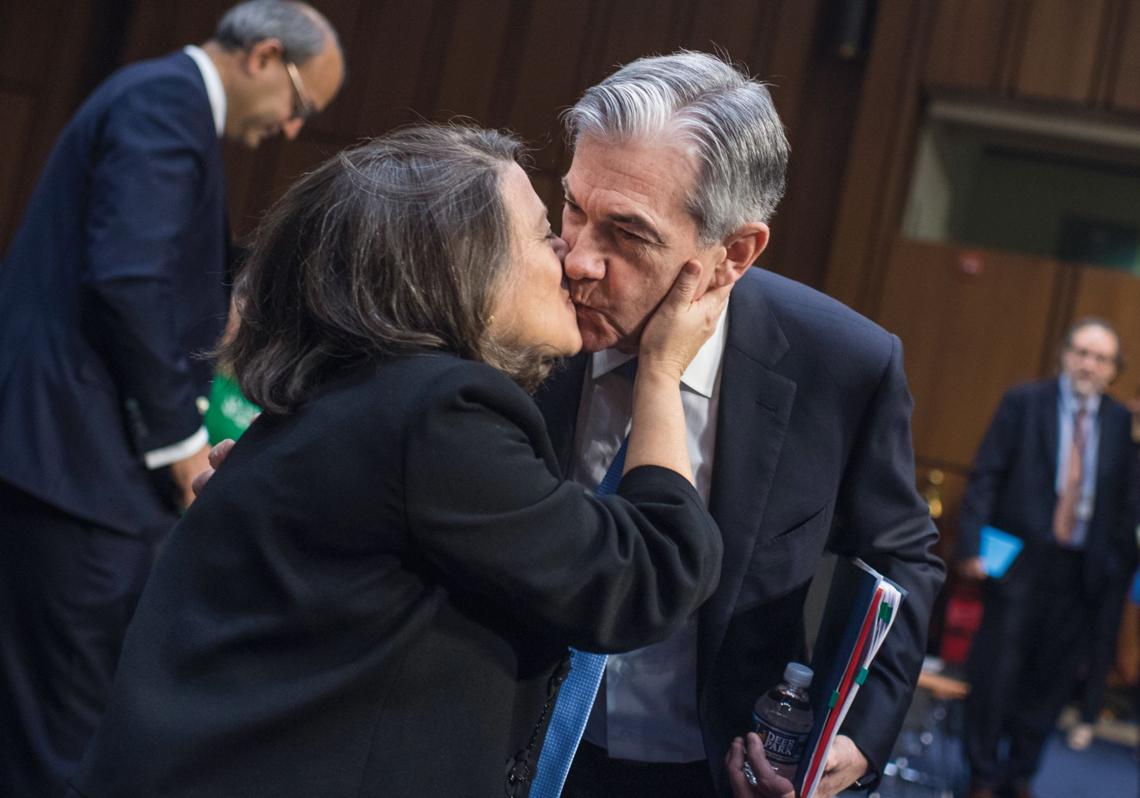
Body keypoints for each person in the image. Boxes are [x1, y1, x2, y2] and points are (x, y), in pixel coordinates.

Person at [67, 124, 728, 798]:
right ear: (461, 267)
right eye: (544, 231)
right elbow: (649, 576)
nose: (569, 255)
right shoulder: (441, 410)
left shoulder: (350, 385)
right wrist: (660, 374)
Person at [527, 51, 946, 798]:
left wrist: (861, 733)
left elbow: (902, 556)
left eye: (628, 233)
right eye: (574, 209)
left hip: (711, 765)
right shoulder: (515, 308)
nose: (579, 261)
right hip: (511, 740)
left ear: (734, 254)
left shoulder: (842, 362)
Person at [0, 2, 344, 795]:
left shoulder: (157, 99)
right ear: (261, 56)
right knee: (63, 740)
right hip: (78, 472)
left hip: (66, 464)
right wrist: (181, 443)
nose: (295, 128)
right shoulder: (164, 103)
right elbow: (129, 282)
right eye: (301, 103)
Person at [956, 318, 1140, 798]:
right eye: (1081, 352)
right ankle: (982, 773)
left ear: (1112, 371)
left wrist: (1116, 567)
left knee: (1050, 682)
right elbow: (987, 474)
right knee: (997, 673)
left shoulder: (1120, 423)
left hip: (1080, 573)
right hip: (1019, 562)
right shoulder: (1025, 402)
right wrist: (973, 546)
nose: (1088, 364)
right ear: (1064, 354)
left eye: (1100, 358)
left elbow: (1124, 500)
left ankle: (1019, 774)